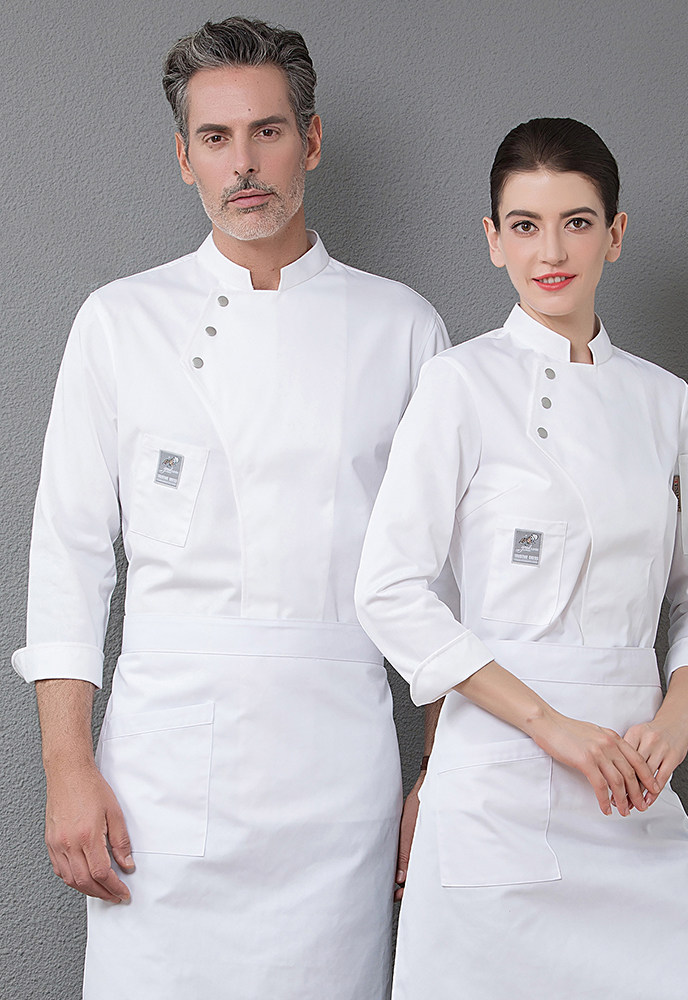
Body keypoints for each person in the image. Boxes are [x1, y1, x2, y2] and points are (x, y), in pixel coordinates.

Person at [12, 17, 450, 1000]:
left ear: (311, 140)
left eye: (267, 132)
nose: (243, 164)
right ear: (184, 158)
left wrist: (441, 777)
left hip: (336, 778)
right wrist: (67, 769)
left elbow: (443, 587)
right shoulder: (120, 323)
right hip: (156, 781)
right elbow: (68, 556)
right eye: (215, 137)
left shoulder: (403, 329)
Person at [355, 117, 688, 999]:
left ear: (615, 232)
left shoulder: (664, 400)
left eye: (577, 221)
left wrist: (678, 717)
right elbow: (389, 591)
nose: (552, 251)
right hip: (500, 782)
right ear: (493, 240)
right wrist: (549, 725)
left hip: (634, 782)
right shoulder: (460, 384)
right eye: (525, 225)